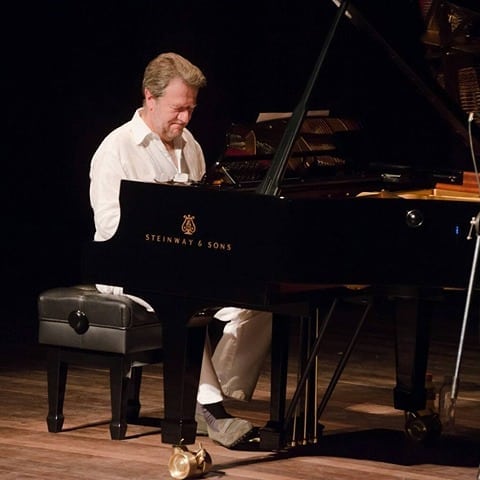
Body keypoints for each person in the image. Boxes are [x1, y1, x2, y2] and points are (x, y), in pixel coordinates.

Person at [89, 52, 272, 448]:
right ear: (149, 97)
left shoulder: (191, 145)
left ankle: (211, 392)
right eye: (178, 108)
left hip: (185, 262)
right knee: (183, 296)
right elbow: (109, 227)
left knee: (258, 301)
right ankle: (211, 409)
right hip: (126, 268)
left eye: (191, 108)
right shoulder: (116, 149)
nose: (186, 118)